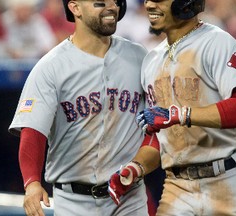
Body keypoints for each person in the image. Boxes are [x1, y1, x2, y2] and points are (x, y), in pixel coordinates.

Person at [108, 0, 236, 215]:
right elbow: (162, 134)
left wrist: (180, 114)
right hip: (177, 188)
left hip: (230, 180)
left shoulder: (217, 42)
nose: (148, 5)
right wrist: (136, 167)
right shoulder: (151, 61)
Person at [8, 0, 148, 215]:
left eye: (115, 1)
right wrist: (32, 182)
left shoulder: (140, 57)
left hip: (129, 198)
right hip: (74, 201)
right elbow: (33, 130)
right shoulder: (51, 66)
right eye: (100, 2)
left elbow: (157, 122)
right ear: (75, 8)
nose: (112, 7)